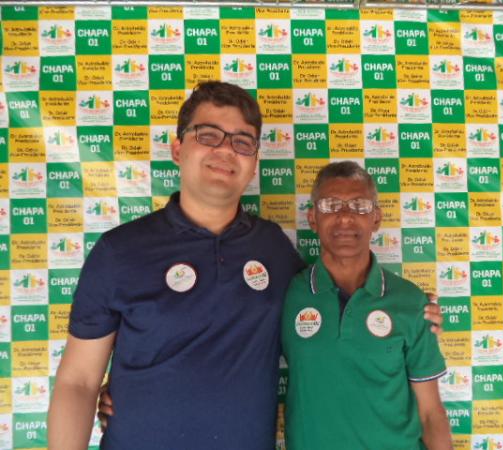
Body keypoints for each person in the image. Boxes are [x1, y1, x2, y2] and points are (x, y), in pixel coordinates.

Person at [49, 81, 444, 449]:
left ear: (254, 163)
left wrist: (414, 310)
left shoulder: (274, 248)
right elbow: (79, 382)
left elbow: (339, 300)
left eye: (242, 142)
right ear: (177, 148)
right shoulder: (120, 250)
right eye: (208, 135)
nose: (224, 150)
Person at [281, 161, 452, 450]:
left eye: (359, 206)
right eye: (331, 205)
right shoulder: (286, 294)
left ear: (376, 219)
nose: (345, 217)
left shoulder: (411, 302)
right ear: (312, 219)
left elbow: (430, 413)